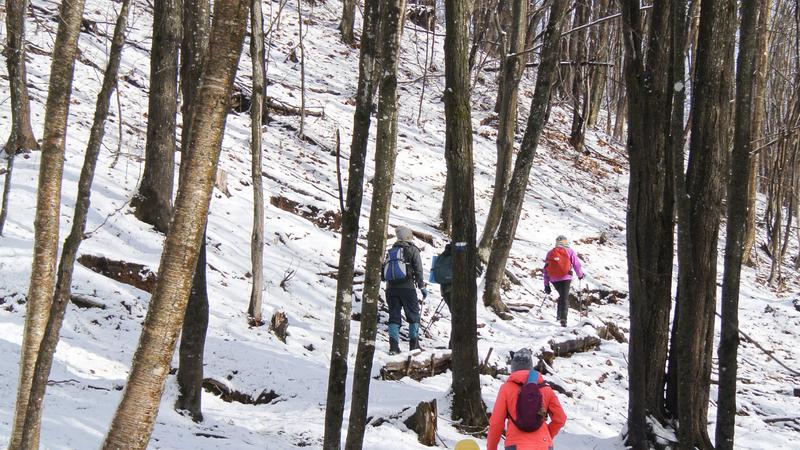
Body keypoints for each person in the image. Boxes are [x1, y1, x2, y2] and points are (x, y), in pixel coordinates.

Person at [487, 349, 567, 450]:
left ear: (513, 368)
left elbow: (496, 423)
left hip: (516, 445)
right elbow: (560, 418)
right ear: (530, 367)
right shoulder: (546, 389)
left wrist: (491, 448)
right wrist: (547, 434)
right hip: (543, 444)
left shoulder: (506, 389)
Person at [383, 226, 428, 354]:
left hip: (390, 288)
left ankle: (393, 347)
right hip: (407, 288)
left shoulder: (391, 250)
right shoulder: (413, 250)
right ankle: (414, 346)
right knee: (413, 315)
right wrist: (422, 287)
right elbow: (418, 270)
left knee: (394, 315)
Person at [543, 235, 584, 327]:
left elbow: (545, 269)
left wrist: (546, 284)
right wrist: (580, 275)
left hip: (554, 279)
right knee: (564, 297)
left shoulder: (550, 253)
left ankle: (559, 316)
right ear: (566, 242)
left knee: (562, 296)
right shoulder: (570, 251)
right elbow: (576, 264)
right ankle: (563, 320)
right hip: (566, 277)